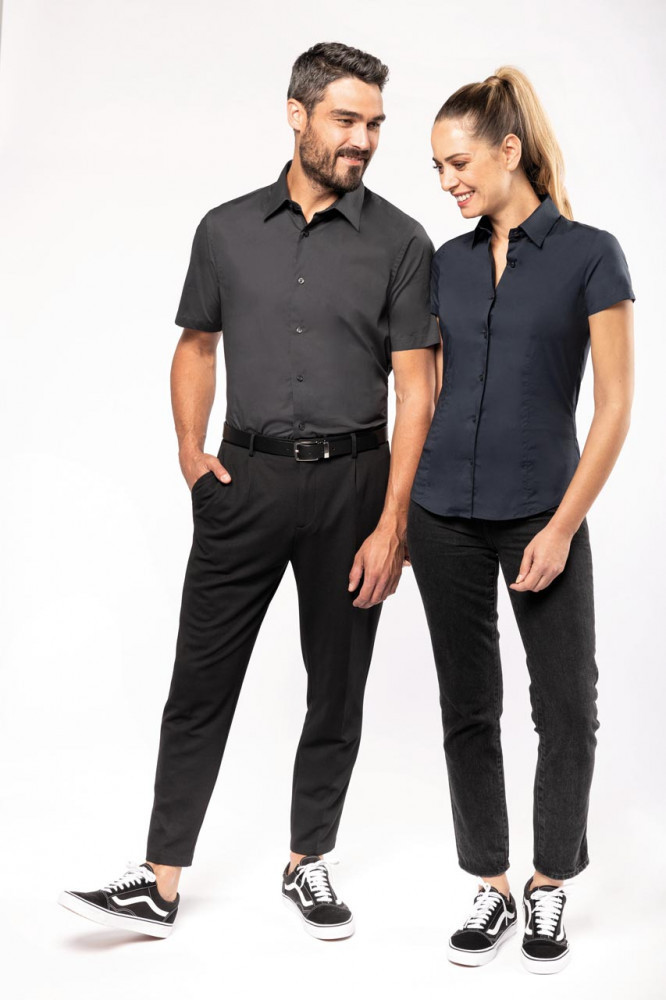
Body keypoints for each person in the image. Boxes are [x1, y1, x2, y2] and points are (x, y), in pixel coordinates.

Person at [58, 41, 439, 940]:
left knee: (336, 687)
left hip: (355, 485)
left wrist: (393, 522)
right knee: (200, 680)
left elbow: (418, 388)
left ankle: (310, 860)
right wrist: (191, 455)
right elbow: (197, 345)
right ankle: (159, 880)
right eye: (346, 120)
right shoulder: (224, 229)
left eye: (375, 124)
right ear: (297, 114)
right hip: (245, 481)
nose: (363, 140)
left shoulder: (402, 242)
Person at [407, 66, 635, 974]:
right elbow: (421, 392)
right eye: (436, 167)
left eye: (458, 163)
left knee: (567, 707)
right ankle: (491, 884)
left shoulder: (591, 255)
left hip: (543, 513)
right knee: (468, 707)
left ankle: (548, 884)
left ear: (509, 151)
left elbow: (614, 408)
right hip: (443, 515)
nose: (447, 181)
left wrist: (564, 526)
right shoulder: (446, 263)